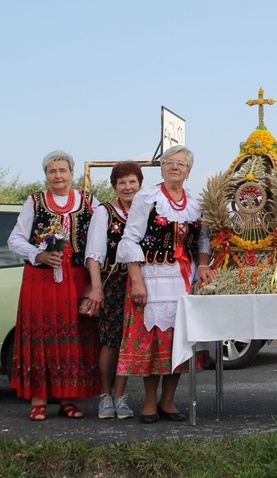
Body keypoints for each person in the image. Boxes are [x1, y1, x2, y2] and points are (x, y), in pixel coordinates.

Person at [115, 145, 216, 424]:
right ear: (161, 167)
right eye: (169, 162)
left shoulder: (196, 203)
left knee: (178, 343)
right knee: (153, 345)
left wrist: (204, 265)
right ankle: (149, 404)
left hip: (184, 282)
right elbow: (129, 239)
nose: (174, 167)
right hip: (152, 279)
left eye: (180, 164)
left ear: (188, 171)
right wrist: (136, 281)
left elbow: (203, 242)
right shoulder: (148, 197)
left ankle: (168, 402)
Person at [7, 150, 101, 420]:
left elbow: (97, 241)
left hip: (76, 278)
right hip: (41, 280)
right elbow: (15, 239)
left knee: (73, 335)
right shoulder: (34, 202)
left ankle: (67, 399)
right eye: (52, 171)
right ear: (46, 175)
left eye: (62, 170)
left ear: (72, 174)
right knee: (41, 335)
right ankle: (38, 399)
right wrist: (39, 254)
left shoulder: (88, 201)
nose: (57, 175)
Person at [84, 161, 143, 419]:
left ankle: (121, 395)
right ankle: (105, 395)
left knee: (129, 341)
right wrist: (97, 288)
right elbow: (94, 254)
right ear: (114, 186)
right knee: (110, 341)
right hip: (114, 283)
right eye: (122, 183)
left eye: (132, 182)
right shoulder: (104, 212)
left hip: (140, 283)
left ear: (140, 184)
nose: (128, 187)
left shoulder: (146, 211)